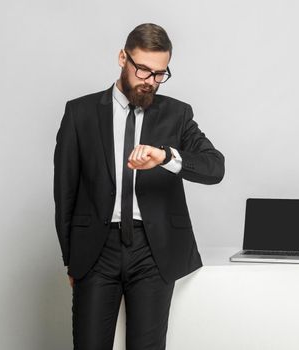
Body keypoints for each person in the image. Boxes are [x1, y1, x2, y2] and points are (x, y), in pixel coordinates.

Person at [53, 23, 225, 350]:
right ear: (123, 58)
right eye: (143, 69)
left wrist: (165, 157)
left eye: (160, 74)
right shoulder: (80, 113)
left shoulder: (177, 114)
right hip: (96, 251)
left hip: (153, 250)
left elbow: (215, 167)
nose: (150, 82)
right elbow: (65, 191)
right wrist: (70, 258)